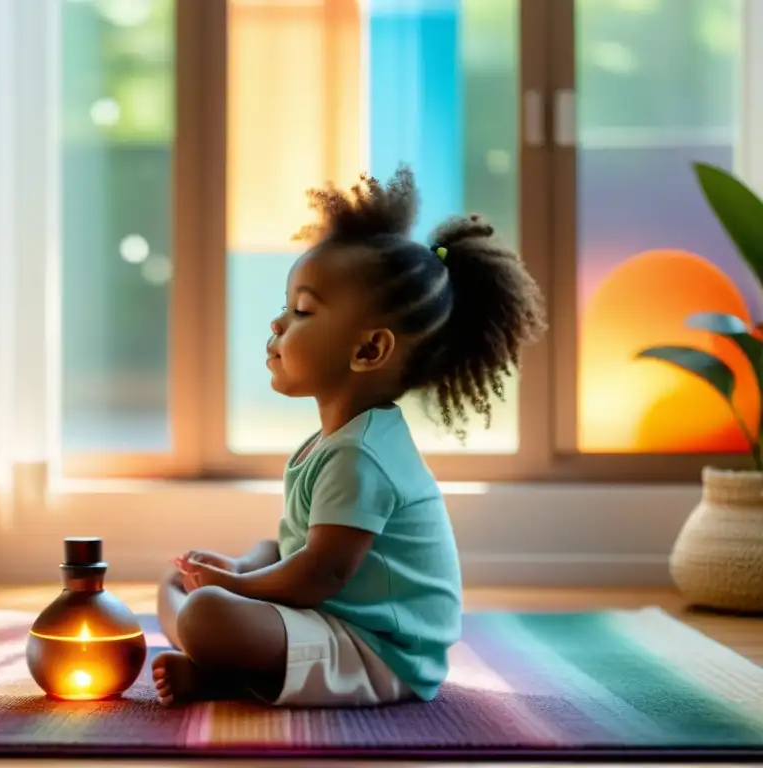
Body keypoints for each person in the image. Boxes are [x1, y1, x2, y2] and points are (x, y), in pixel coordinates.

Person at [153, 165, 547, 708]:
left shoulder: (360, 455)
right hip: (333, 617)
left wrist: (235, 589)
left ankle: (225, 667)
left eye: (302, 311)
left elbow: (321, 572)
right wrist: (241, 567)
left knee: (204, 612)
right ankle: (226, 666)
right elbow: (296, 548)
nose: (277, 325)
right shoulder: (339, 440)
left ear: (367, 351)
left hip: (383, 650)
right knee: (181, 589)